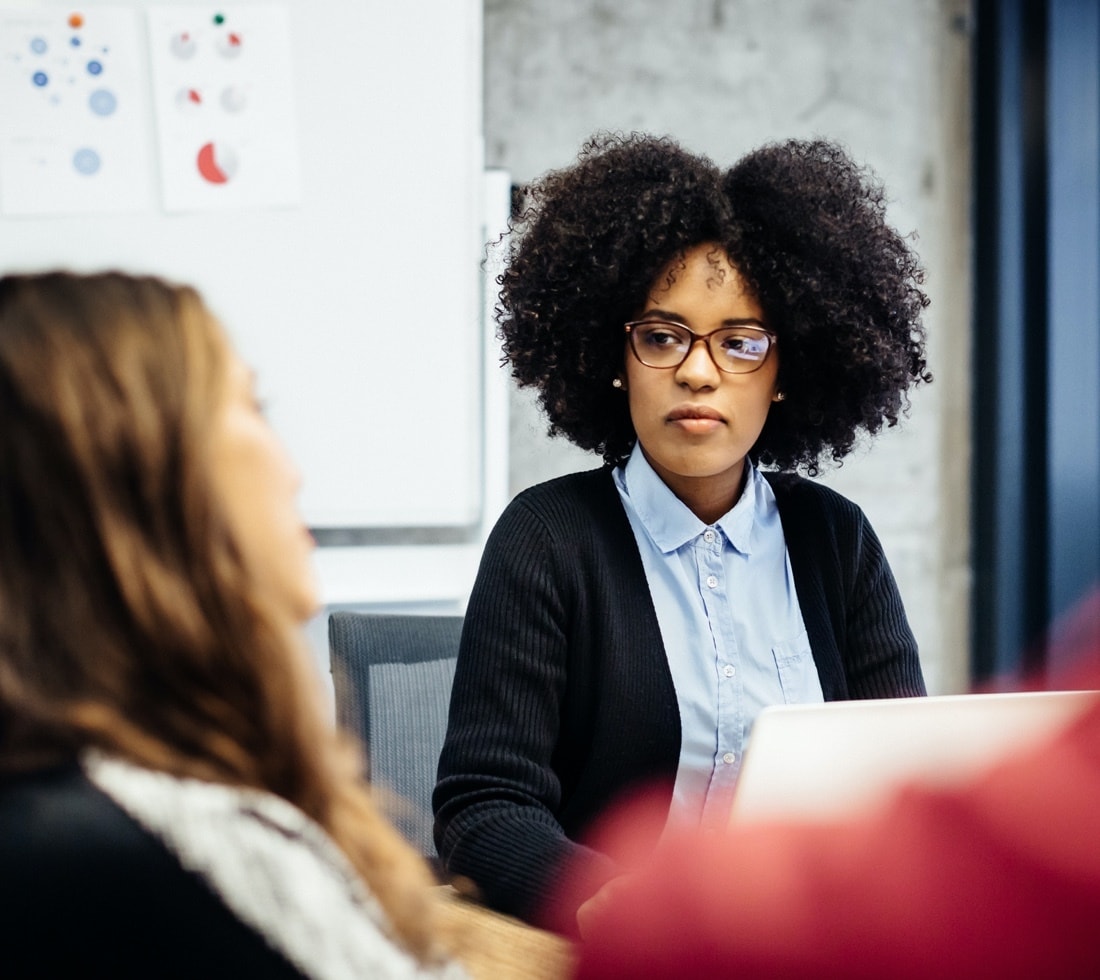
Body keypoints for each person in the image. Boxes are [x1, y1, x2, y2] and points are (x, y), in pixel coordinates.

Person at [433, 133, 931, 935]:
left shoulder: (835, 542)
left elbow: (901, 781)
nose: (698, 372)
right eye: (663, 337)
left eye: (740, 343)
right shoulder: (547, 538)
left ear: (783, 374)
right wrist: (605, 900)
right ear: (617, 357)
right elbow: (484, 805)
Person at [0, 272, 465, 978]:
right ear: (143, 473)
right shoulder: (135, 857)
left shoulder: (108, 809)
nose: (293, 472)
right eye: (253, 405)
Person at [574, 595, 1100, 978]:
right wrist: (599, 884)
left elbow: (893, 754)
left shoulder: (838, 535)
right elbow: (493, 795)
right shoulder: (546, 533)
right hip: (601, 936)